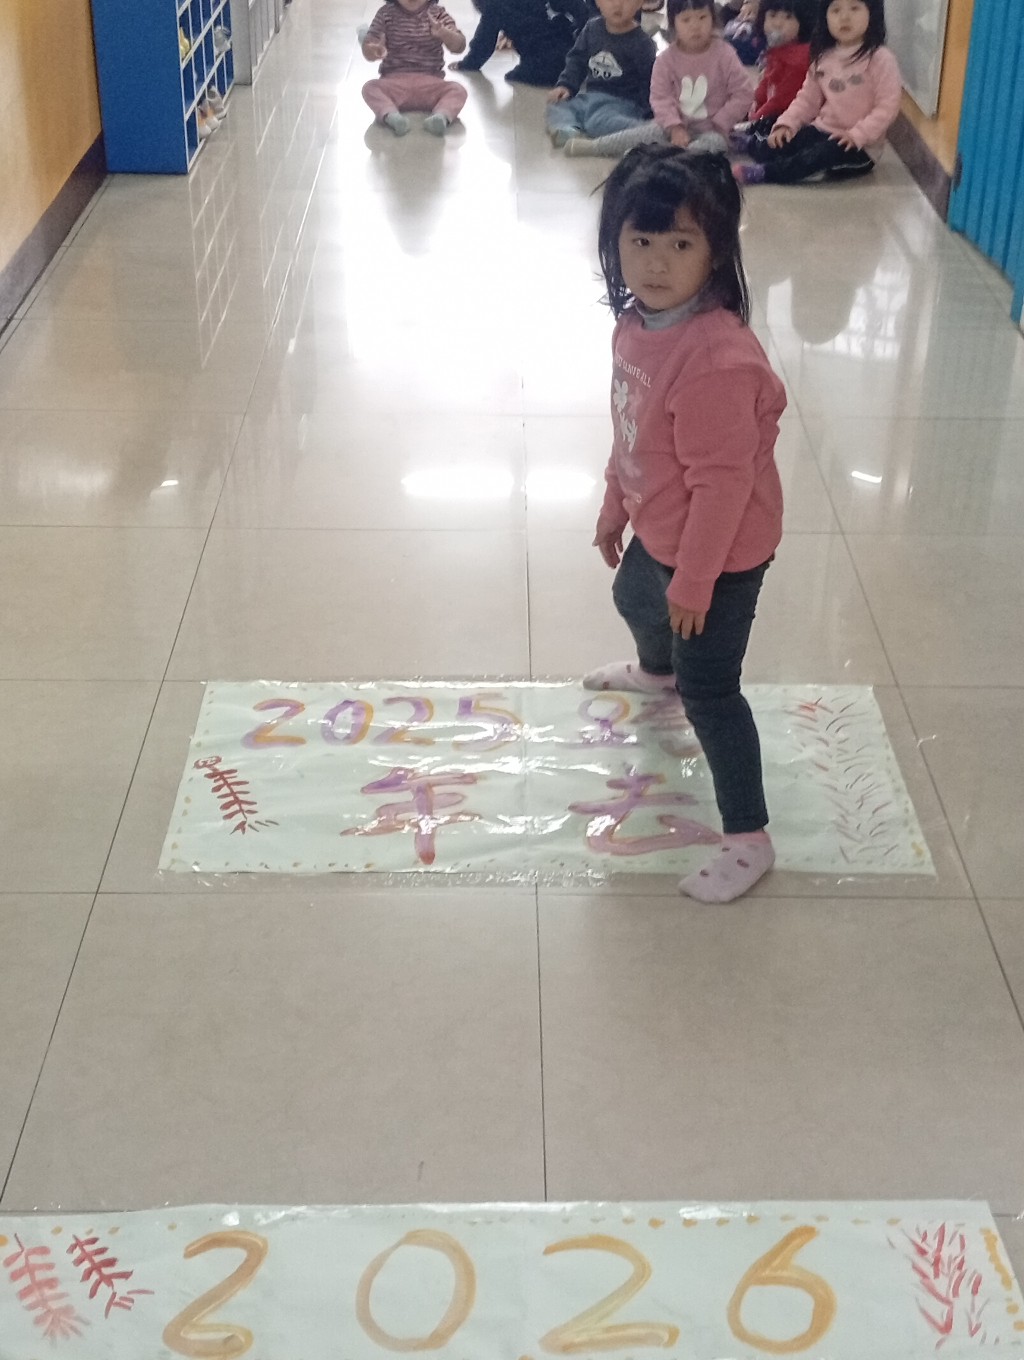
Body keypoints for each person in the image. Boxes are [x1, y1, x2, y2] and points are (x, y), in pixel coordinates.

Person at [585, 146, 785, 902]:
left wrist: (696, 582)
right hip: (664, 526)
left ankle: (749, 838)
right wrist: (616, 501)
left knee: (711, 693)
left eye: (681, 243)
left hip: (720, 554)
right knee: (634, 597)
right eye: (641, 240)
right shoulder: (638, 325)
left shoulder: (715, 363)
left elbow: (725, 487)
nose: (657, 263)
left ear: (717, 250)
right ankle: (655, 670)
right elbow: (630, 426)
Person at [734, 0, 899, 183]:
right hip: (822, 129)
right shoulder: (823, 55)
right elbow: (807, 100)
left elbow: (887, 107)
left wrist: (857, 134)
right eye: (835, 10)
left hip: (860, 147)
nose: (844, 17)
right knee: (789, 141)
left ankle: (766, 173)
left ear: (872, 13)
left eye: (854, 8)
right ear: (824, 17)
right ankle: (752, 146)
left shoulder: (880, 58)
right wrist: (787, 123)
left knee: (815, 156)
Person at [565, 0, 749, 160]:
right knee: (643, 133)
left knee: (714, 145)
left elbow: (743, 93)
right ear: (673, 24)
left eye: (702, 17)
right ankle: (596, 146)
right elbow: (660, 97)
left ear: (713, 19)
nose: (695, 26)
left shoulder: (725, 54)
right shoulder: (666, 60)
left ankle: (666, 158)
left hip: (712, 130)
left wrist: (721, 121)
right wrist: (674, 126)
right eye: (686, 20)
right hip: (671, 126)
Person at [545, 0, 657, 149]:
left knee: (597, 121)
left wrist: (649, 113)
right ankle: (567, 130)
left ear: (639, 4)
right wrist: (565, 86)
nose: (617, 4)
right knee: (558, 105)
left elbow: (648, 80)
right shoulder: (592, 28)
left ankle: (643, 131)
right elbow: (577, 60)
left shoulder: (642, 43)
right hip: (590, 96)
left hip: (621, 103)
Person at [362, 0, 468, 136]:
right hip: (394, 83)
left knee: (458, 90)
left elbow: (459, 46)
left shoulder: (438, 13)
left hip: (430, 84)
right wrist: (373, 50)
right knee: (370, 88)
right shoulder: (385, 14)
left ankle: (441, 116)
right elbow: (369, 46)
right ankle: (391, 116)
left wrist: (444, 33)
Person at [452, 0, 590, 86]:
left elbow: (484, 43)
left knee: (514, 76)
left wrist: (467, 64)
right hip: (576, 57)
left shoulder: (495, 5)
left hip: (542, 63)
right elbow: (583, 13)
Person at [733, 0, 812, 141]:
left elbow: (780, 101)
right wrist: (751, 108)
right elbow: (764, 87)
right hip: (770, 113)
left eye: (788, 17)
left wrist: (755, 119)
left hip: (789, 121)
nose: (778, 24)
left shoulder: (800, 58)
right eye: (772, 15)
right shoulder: (776, 52)